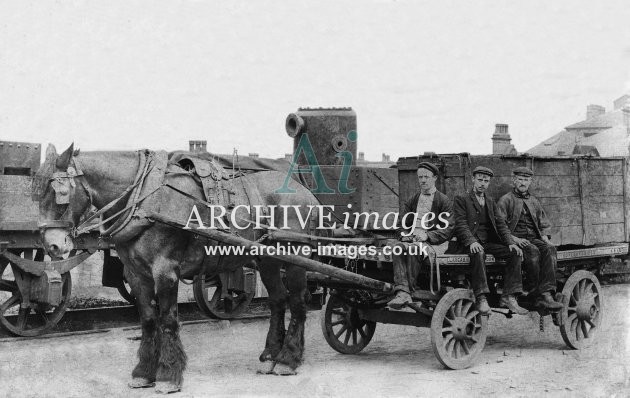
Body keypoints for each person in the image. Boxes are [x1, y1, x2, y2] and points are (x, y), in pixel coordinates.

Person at [452, 166, 527, 315]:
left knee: (516, 253)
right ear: (473, 179)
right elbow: (460, 224)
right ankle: (481, 297)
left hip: (487, 243)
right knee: (478, 253)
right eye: (480, 180)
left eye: (486, 181)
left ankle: (509, 296)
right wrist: (471, 241)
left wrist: (511, 243)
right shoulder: (462, 199)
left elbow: (501, 225)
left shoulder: (491, 202)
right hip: (468, 243)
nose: (482, 184)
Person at [387, 162, 453, 309]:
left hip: (435, 243)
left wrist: (427, 236)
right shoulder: (414, 199)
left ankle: (407, 291)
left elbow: (448, 228)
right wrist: (405, 235)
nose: (423, 180)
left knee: (414, 249)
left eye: (426, 177)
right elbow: (402, 222)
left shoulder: (443, 200)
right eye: (420, 177)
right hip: (414, 240)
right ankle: (403, 291)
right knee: (398, 247)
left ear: (434, 178)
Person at [497, 167, 563, 310]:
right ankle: (534, 293)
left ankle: (546, 293)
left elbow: (543, 222)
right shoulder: (506, 200)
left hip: (533, 237)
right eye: (520, 179)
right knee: (532, 252)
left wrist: (545, 238)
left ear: (530, 182)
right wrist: (514, 239)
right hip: (516, 239)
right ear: (514, 181)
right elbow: (500, 225)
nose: (523, 183)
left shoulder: (533, 201)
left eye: (526, 180)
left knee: (550, 249)